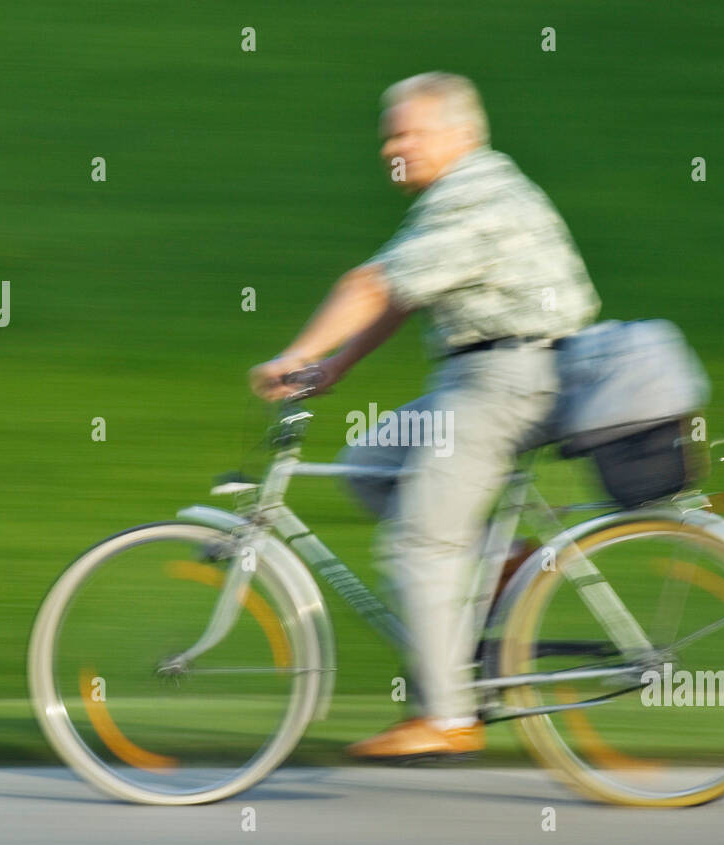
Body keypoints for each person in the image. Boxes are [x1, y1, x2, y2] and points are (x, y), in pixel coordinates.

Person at [249, 72, 601, 758]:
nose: (390, 146)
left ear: (461, 135)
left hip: (506, 381)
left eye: (408, 131)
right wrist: (334, 368)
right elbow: (401, 293)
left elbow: (372, 285)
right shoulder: (454, 197)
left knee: (417, 543)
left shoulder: (474, 196)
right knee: (368, 465)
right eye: (389, 132)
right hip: (479, 376)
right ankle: (497, 567)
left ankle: (447, 716)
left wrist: (292, 355)